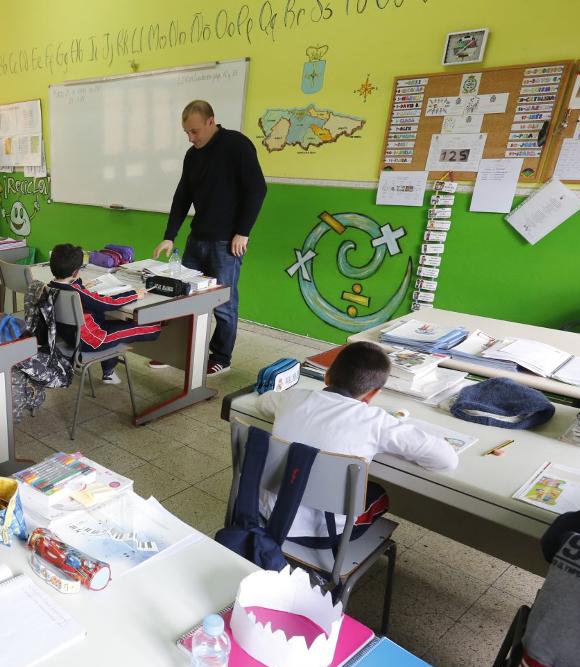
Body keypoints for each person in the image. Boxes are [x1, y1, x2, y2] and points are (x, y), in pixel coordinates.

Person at [252, 342, 458, 547]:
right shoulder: (376, 422)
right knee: (379, 493)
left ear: (327, 375)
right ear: (373, 394)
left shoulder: (292, 398)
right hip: (325, 534)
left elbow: (261, 403)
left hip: (265, 514)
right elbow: (447, 460)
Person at [154, 99, 267, 377]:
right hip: (198, 238)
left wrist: (243, 232)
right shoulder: (193, 155)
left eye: (194, 131)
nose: (191, 138)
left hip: (227, 242)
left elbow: (257, 189)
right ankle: (175, 350)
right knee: (182, 296)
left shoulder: (236, 145)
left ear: (210, 121)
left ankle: (221, 356)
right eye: (186, 133)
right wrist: (170, 236)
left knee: (224, 304)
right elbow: (183, 196)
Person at [47, 243, 161, 385]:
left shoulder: (50, 288)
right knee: (153, 326)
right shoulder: (77, 294)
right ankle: (160, 328)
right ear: (76, 272)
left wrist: (81, 284)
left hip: (71, 338)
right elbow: (108, 303)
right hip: (95, 340)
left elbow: (78, 289)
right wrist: (134, 294)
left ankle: (109, 372)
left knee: (112, 323)